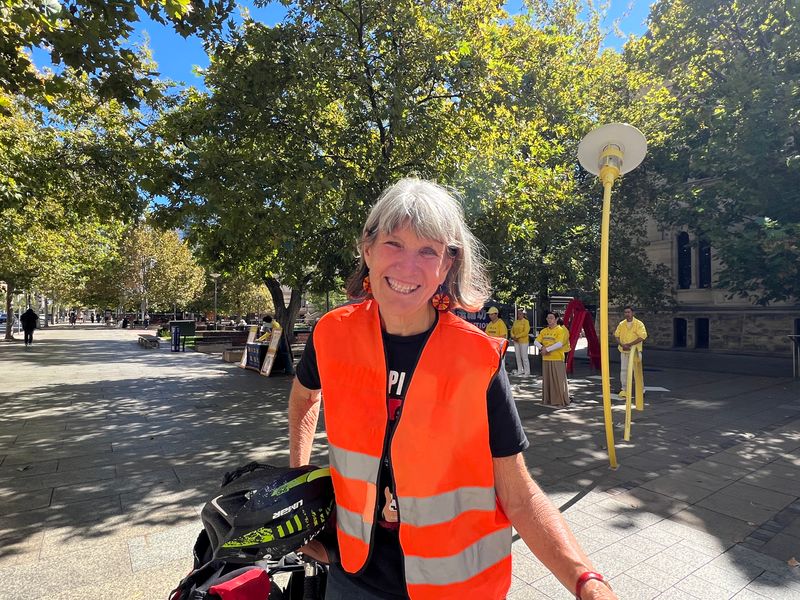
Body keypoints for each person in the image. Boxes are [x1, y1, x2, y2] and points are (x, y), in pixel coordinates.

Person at [288, 178, 616, 600]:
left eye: (428, 251)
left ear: (447, 265)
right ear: (367, 249)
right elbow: (304, 397)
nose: (408, 266)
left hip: (455, 587)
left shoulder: (478, 359)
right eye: (393, 244)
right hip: (353, 575)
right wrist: (298, 488)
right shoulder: (331, 334)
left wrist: (587, 582)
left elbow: (517, 495)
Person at [534, 311, 571, 407]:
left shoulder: (560, 330)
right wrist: (542, 348)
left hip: (557, 357)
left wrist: (547, 349)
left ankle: (560, 400)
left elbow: (560, 343)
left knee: (558, 380)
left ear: (556, 319)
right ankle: (548, 399)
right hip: (546, 358)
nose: (549, 320)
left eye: (551, 318)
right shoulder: (544, 331)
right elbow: (536, 341)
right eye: (548, 318)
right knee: (547, 380)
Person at [613, 306, 648, 398]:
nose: (627, 314)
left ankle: (641, 390)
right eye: (625, 312)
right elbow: (616, 335)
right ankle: (624, 389)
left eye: (628, 312)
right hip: (624, 351)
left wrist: (629, 344)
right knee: (624, 370)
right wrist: (622, 344)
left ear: (633, 313)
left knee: (637, 371)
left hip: (635, 351)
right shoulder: (622, 324)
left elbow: (642, 337)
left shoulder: (638, 324)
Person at [510, 308, 531, 376]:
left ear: (523, 314)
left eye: (520, 314)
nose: (519, 315)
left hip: (524, 341)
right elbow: (512, 330)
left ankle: (527, 371)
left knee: (524, 356)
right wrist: (513, 336)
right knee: (518, 356)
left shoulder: (526, 322)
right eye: (518, 314)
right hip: (516, 341)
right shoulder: (515, 322)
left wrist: (517, 336)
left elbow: (526, 332)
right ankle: (520, 370)